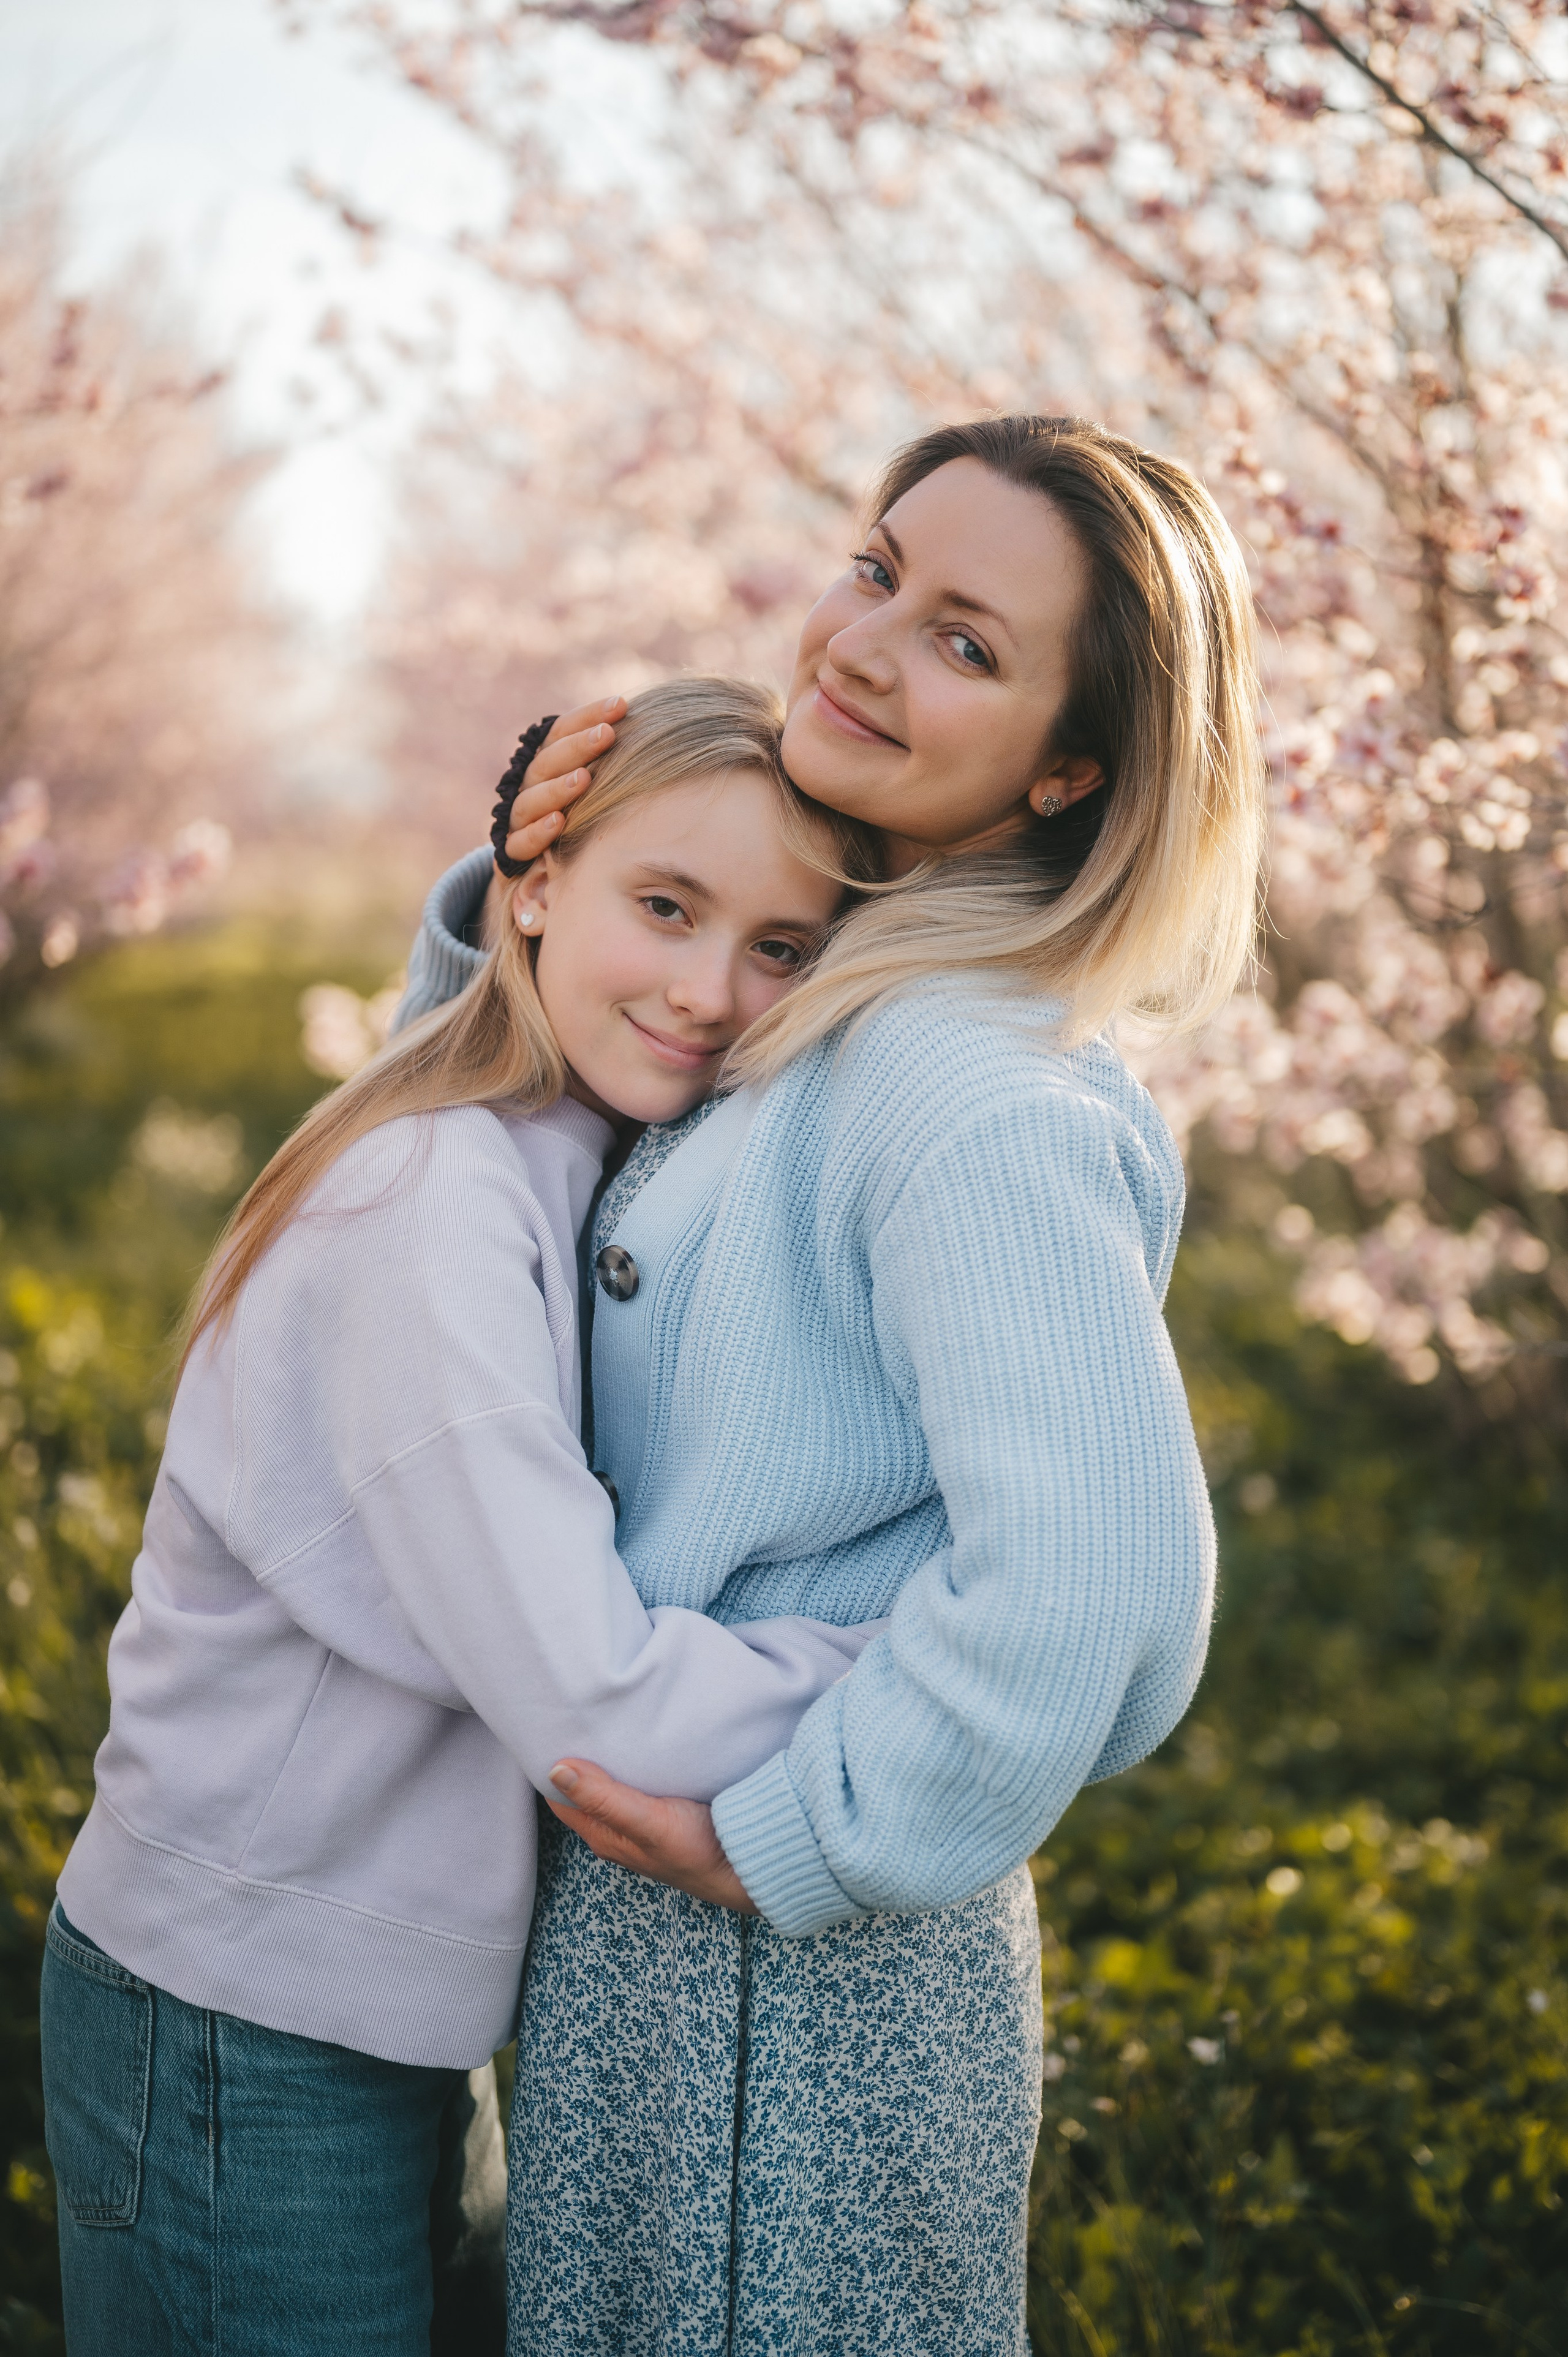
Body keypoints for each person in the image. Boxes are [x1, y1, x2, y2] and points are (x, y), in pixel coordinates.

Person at [397, 414, 1267, 2355]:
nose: (864, 646)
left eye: (968, 640)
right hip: (684, 1932)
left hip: (789, 1981)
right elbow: (534, 1211)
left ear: (1071, 766)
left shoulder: (960, 1087)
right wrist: (518, 899)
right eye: (879, 571)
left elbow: (1103, 1588)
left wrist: (803, 1836)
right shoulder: (837, 994)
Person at [39, 680, 886, 2357]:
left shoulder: (576, 1152)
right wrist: (922, 1688)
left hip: (383, 1995)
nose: (713, 990)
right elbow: (595, 1701)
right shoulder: (429, 1204)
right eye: (668, 906)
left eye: (785, 949)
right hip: (240, 2014)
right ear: (540, 883)